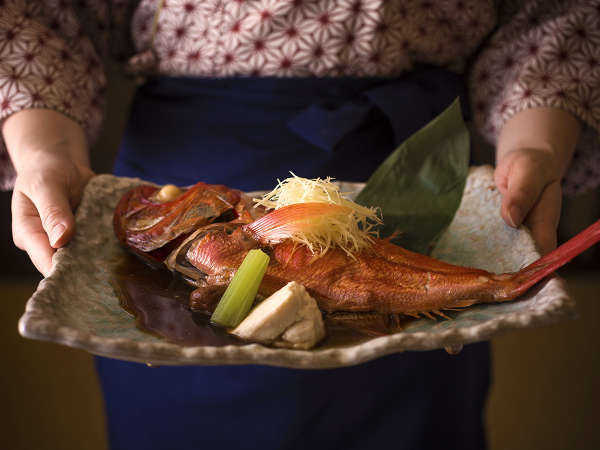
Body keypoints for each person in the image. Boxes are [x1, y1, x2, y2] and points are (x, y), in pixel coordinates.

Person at [1, 1, 597, 449]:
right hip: (187, 156)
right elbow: (37, 15)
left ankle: (494, 285)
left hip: (413, 153)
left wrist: (537, 145)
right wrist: (43, 151)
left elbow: (555, 13)